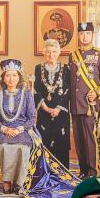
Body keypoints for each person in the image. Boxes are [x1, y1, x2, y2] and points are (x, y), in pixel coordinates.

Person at [68, 21, 100, 178]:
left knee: (90, 139)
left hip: (90, 104)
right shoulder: (73, 56)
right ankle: (83, 170)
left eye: (87, 33)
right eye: (81, 33)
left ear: (92, 35)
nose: (84, 36)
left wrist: (97, 93)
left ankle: (93, 171)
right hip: (75, 104)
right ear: (78, 35)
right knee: (79, 139)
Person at [0, 59, 36, 194]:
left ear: (19, 77)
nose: (11, 78)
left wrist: (19, 129)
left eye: (14, 75)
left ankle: (20, 183)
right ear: (3, 78)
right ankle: (7, 181)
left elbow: (32, 118)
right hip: (3, 130)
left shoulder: (26, 94)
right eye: (8, 75)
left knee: (22, 147)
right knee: (4, 146)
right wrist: (5, 129)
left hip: (22, 129)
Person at [34, 39, 71, 169]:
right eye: (48, 52)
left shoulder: (66, 68)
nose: (51, 54)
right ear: (44, 53)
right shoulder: (38, 68)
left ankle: (62, 172)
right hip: (44, 111)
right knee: (45, 139)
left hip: (61, 112)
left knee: (61, 140)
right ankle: (45, 170)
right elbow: (36, 90)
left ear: (59, 53)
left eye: (54, 51)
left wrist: (58, 109)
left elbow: (67, 91)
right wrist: (44, 107)